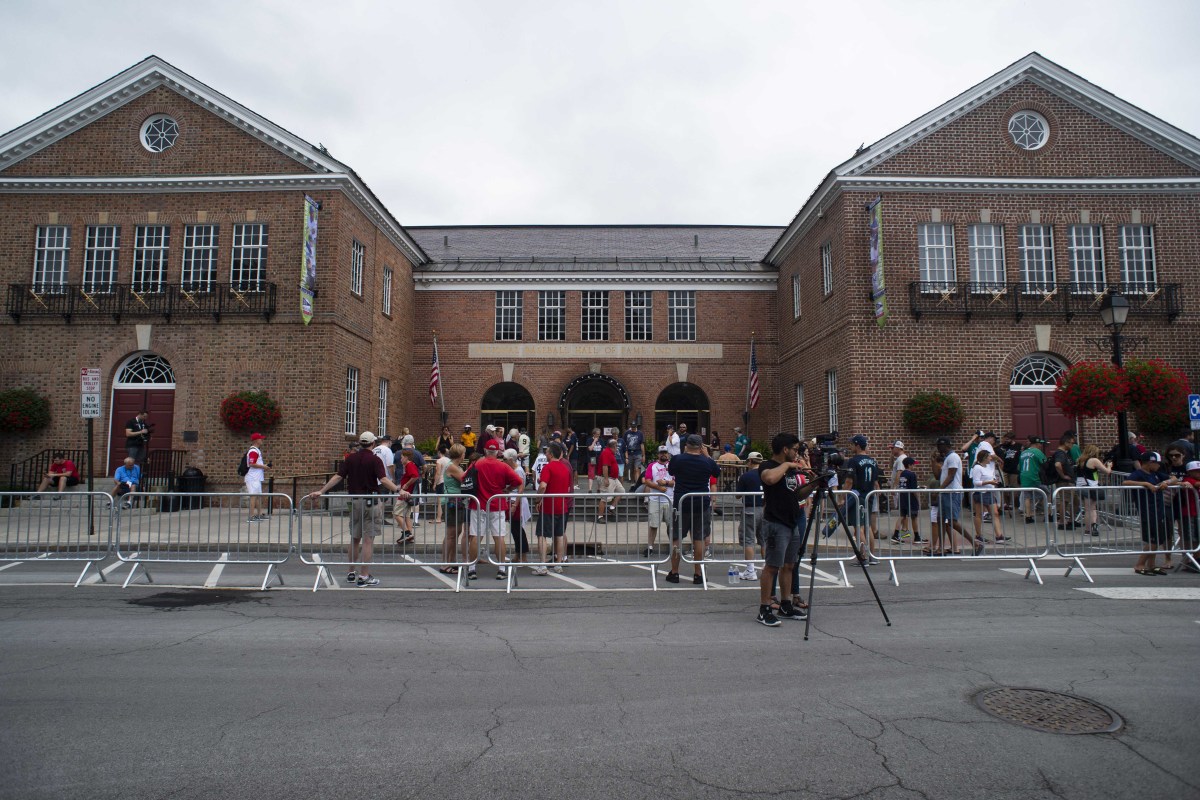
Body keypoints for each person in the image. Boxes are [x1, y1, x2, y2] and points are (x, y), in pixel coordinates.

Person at [307, 431, 404, 587]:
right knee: (368, 540)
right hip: (370, 501)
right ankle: (364, 576)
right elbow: (383, 479)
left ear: (360, 443)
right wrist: (398, 490)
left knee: (354, 538)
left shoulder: (351, 459)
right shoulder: (375, 459)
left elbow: (338, 477)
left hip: (354, 501)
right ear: (373, 444)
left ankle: (351, 572)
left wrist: (322, 491)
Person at [756, 433, 820, 627]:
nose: (797, 453)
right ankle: (764, 608)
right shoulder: (768, 466)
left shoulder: (790, 470)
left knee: (789, 565)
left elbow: (796, 493)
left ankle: (785, 603)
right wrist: (787, 466)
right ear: (785, 450)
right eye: (794, 449)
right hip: (776, 522)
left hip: (792, 521)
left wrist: (814, 484)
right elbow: (769, 479)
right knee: (772, 566)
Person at [666, 434, 720, 584]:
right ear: (701, 446)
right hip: (701, 503)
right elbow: (717, 472)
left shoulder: (678, 459)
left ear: (686, 445)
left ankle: (675, 572)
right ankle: (698, 573)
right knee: (699, 538)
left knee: (677, 537)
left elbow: (671, 471)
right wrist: (707, 455)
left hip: (681, 503)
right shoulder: (706, 462)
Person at [468, 440, 523, 581]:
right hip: (497, 505)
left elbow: (464, 479)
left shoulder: (477, 464)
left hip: (479, 504)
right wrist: (508, 489)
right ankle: (501, 569)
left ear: (485, 450)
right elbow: (518, 481)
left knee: (475, 536)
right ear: (498, 452)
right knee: (499, 537)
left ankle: (472, 569)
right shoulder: (503, 466)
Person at [1124, 452, 1178, 576]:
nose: (1159, 466)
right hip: (1148, 510)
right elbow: (1126, 483)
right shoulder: (1138, 474)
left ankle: (1151, 565)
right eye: (1157, 463)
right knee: (1153, 540)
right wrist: (1145, 484)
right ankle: (1140, 564)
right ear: (1150, 462)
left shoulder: (1156, 474)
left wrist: (1167, 482)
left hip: (1159, 509)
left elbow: (1174, 478)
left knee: (1158, 539)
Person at [532, 442, 573, 575]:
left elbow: (543, 485)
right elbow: (567, 488)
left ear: (550, 454)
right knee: (559, 535)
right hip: (562, 505)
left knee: (542, 535)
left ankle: (543, 565)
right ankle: (558, 564)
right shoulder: (565, 468)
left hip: (549, 506)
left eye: (547, 452)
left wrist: (538, 499)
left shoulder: (548, 468)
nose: (545, 454)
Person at [936, 436, 979, 555]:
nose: (938, 448)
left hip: (952, 492)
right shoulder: (947, 458)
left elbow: (951, 476)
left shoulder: (953, 457)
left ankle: (974, 543)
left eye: (940, 446)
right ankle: (940, 548)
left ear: (947, 446)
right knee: (940, 519)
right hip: (946, 492)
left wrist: (939, 489)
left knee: (952, 521)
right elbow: (938, 475)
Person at [842, 434, 880, 564]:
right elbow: (876, 482)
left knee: (858, 526)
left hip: (858, 496)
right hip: (870, 495)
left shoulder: (854, 461)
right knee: (867, 526)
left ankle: (863, 556)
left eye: (852, 444)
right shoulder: (873, 461)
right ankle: (873, 556)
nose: (851, 446)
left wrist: (842, 496)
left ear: (857, 445)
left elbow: (849, 480)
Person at [438, 444, 468, 574]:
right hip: (452, 502)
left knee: (456, 532)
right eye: (464, 453)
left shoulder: (455, 466)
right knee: (451, 534)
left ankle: (452, 560)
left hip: (457, 502)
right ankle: (445, 564)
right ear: (461, 455)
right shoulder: (452, 467)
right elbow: (465, 480)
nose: (464, 455)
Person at [735, 451, 765, 581]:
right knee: (764, 540)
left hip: (750, 509)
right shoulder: (766, 474)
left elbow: (737, 495)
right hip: (765, 508)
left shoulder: (746, 476)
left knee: (749, 540)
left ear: (751, 461)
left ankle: (750, 570)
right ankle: (767, 568)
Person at [503, 449, 532, 576]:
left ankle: (523, 556)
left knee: (518, 529)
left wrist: (515, 504)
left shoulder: (518, 470)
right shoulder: (513, 470)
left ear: (510, 459)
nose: (503, 461)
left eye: (504, 459)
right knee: (515, 529)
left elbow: (520, 488)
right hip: (513, 500)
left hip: (517, 501)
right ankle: (517, 555)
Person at [642, 446, 674, 559]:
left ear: (668, 454)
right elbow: (647, 481)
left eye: (665, 452)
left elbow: (677, 480)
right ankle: (650, 547)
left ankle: (674, 547)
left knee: (672, 525)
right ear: (658, 455)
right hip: (655, 499)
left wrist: (665, 483)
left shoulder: (672, 465)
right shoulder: (652, 466)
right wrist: (658, 487)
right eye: (661, 453)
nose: (663, 455)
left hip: (670, 499)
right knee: (653, 525)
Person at [1075, 444, 1112, 538]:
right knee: (1091, 509)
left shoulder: (1080, 460)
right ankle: (1092, 527)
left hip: (1080, 486)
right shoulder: (1094, 460)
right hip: (1090, 486)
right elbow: (1107, 472)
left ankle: (1087, 530)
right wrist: (1109, 466)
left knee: (1087, 508)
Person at [970, 449, 1007, 543]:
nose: (991, 458)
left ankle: (999, 535)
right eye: (989, 457)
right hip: (980, 492)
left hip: (990, 491)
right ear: (984, 458)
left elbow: (992, 475)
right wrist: (989, 482)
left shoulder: (989, 466)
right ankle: (978, 535)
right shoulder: (977, 467)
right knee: (979, 514)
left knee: (995, 513)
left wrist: (994, 481)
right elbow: (976, 482)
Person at [891, 456, 923, 544]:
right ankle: (917, 537)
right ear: (909, 465)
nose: (914, 466)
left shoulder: (902, 474)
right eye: (913, 464)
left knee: (902, 516)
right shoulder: (912, 474)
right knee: (914, 517)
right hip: (910, 499)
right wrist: (918, 500)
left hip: (902, 497)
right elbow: (913, 489)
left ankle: (895, 535)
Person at [1051, 433, 1078, 530]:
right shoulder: (1060, 453)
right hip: (1064, 482)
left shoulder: (1064, 453)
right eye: (1071, 443)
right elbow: (1058, 465)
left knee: (1075, 501)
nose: (1072, 445)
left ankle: (1071, 520)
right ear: (1066, 442)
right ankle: (1062, 522)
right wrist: (1063, 475)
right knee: (1065, 501)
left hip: (1070, 481)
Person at [393, 449, 420, 544]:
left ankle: (406, 532)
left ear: (406, 457)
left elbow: (415, 476)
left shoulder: (409, 465)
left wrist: (407, 485)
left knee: (396, 514)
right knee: (407, 516)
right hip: (407, 493)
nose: (400, 459)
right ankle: (410, 535)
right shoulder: (409, 465)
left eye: (402, 457)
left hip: (405, 494)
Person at [1019, 437, 1048, 523]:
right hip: (1035, 476)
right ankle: (1049, 514)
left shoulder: (1023, 453)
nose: (1041, 445)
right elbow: (1045, 463)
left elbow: (1019, 467)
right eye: (1040, 444)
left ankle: (1028, 516)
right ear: (1036, 444)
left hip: (1024, 476)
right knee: (1046, 495)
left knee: (1027, 496)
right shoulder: (1037, 452)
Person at [595, 438, 623, 522]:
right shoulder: (606, 453)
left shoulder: (610, 453)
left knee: (621, 491)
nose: (617, 448)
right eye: (616, 446)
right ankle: (600, 517)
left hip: (614, 478)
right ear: (613, 446)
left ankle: (611, 507)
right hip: (607, 478)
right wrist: (606, 479)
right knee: (604, 498)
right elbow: (605, 466)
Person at [244, 433, 270, 522]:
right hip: (252, 478)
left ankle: (259, 514)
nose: (262, 440)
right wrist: (264, 467)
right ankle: (251, 516)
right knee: (253, 496)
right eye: (260, 439)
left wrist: (264, 466)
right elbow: (251, 463)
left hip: (256, 478)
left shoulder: (256, 450)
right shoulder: (253, 451)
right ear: (256, 440)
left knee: (258, 496)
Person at [1180, 461, 1200, 572]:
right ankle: (1191, 560)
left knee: (1197, 537)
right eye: (1196, 471)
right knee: (1191, 538)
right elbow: (1197, 485)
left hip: (1198, 514)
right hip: (1190, 512)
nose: (1199, 473)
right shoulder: (1188, 480)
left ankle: (1197, 559)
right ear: (1189, 472)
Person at [997, 432, 1023, 506]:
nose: (1006, 441)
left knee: (1014, 488)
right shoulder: (1002, 446)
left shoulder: (1019, 446)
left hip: (1014, 470)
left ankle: (1013, 503)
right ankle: (1006, 503)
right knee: (1005, 487)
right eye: (1005, 439)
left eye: (1007, 439)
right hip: (1004, 470)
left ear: (1012, 439)